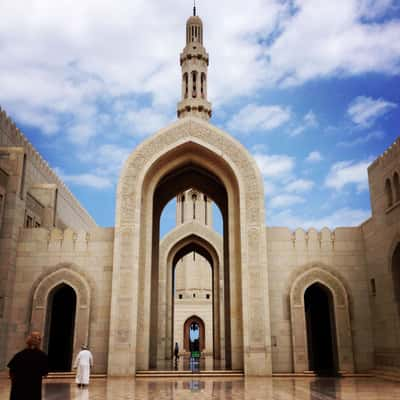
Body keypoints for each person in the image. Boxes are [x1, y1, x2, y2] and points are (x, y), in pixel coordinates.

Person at [7, 331, 49, 400]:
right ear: (39, 342)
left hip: (18, 389)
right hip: (33, 389)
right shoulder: (42, 356)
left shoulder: (19, 355)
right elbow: (45, 373)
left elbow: (11, 372)